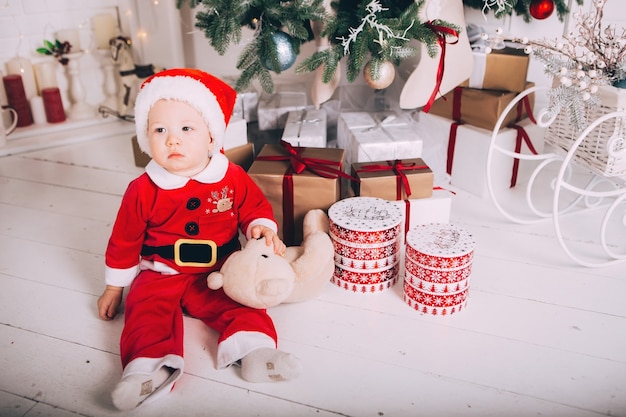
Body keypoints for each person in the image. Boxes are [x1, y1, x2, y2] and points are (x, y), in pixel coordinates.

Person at [97, 68, 301, 411]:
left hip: (218, 268)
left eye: (186, 129)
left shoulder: (231, 177)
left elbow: (254, 207)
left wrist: (260, 227)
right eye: (159, 130)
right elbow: (124, 239)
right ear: (146, 138)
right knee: (146, 311)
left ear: (211, 138)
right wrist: (116, 287)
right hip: (161, 269)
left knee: (242, 302)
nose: (172, 140)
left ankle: (255, 351)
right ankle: (148, 370)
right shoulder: (142, 189)